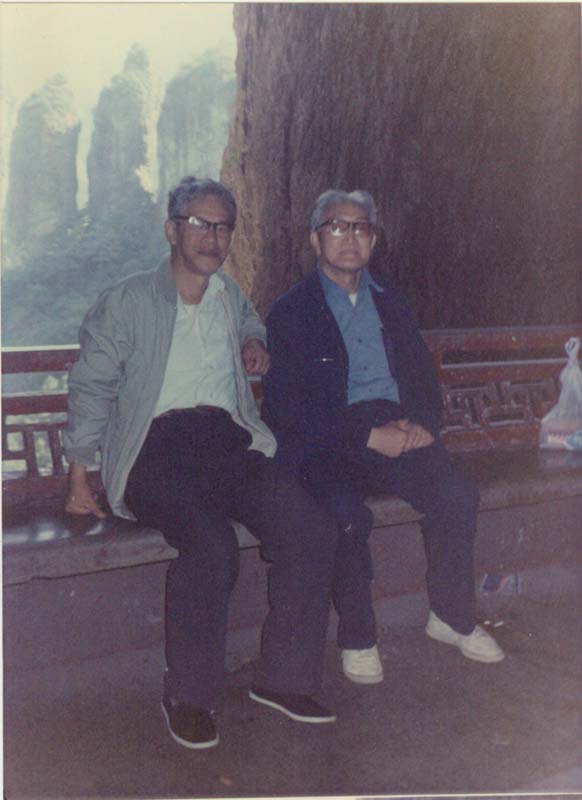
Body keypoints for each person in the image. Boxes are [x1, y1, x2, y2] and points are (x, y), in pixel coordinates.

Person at [63, 176, 340, 751]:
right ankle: (188, 696)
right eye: (199, 224)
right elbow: (92, 386)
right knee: (211, 544)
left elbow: (249, 320)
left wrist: (253, 341)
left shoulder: (227, 294)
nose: (212, 237)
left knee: (311, 526)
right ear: (172, 230)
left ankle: (284, 679)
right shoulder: (129, 301)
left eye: (222, 228)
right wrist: (79, 473)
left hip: (226, 443)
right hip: (155, 451)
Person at [262, 189, 505, 686]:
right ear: (315, 239)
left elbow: (420, 376)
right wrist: (366, 436)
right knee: (346, 513)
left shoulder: (391, 301)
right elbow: (289, 410)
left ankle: (451, 616)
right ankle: (358, 636)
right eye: (337, 226)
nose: (350, 237)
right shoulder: (292, 311)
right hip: (329, 439)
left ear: (373, 240)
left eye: (361, 227)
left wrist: (423, 424)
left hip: (395, 425)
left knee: (456, 495)